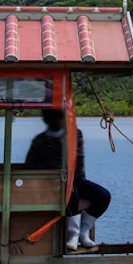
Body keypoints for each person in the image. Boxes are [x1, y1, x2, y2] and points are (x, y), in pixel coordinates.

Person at [24, 107, 110, 253]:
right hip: (50, 184)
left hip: (74, 180)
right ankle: (73, 235)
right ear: (46, 119)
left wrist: (78, 180)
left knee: (103, 195)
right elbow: (30, 167)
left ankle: (83, 232)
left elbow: (79, 161)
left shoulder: (75, 135)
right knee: (71, 192)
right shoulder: (39, 141)